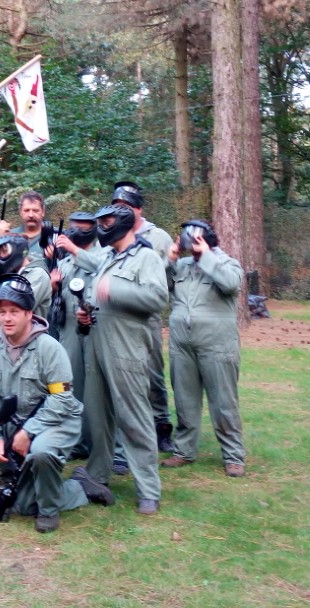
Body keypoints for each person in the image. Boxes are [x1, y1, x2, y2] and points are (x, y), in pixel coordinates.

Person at [0, 275, 110, 533]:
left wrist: (29, 432)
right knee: (25, 504)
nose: (6, 318)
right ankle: (79, 486)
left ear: (29, 313)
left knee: (41, 451)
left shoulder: (49, 348)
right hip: (18, 428)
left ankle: (49, 513)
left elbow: (62, 399)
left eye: (14, 311)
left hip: (58, 421)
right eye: (2, 311)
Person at [77, 204, 168, 515]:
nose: (102, 226)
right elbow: (95, 297)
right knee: (98, 418)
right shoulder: (106, 258)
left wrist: (113, 288)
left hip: (127, 349)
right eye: (100, 221)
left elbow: (158, 299)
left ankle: (148, 490)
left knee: (134, 417)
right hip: (98, 345)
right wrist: (86, 311)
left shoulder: (146, 257)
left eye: (107, 221)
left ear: (125, 222)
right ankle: (98, 475)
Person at [160, 220, 247, 477]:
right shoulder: (182, 266)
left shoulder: (226, 262)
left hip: (217, 344)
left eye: (195, 237)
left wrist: (207, 255)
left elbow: (231, 284)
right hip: (182, 342)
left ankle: (233, 455)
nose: (190, 242)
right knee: (185, 399)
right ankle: (184, 451)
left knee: (223, 401)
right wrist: (170, 259)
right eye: (187, 237)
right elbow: (159, 286)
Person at [110, 180, 176, 454]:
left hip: (146, 316)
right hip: (118, 318)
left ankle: (161, 424)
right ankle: (125, 430)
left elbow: (164, 280)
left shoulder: (158, 237)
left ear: (139, 209)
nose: (121, 211)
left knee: (152, 372)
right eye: (117, 206)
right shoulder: (113, 234)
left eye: (126, 206)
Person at [51, 210, 101, 456]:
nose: (77, 230)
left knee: (97, 388)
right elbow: (60, 298)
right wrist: (54, 286)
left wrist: (72, 248)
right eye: (74, 226)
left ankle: (101, 444)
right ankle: (77, 442)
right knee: (72, 386)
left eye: (83, 226)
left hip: (96, 327)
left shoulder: (104, 253)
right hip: (69, 328)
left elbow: (100, 267)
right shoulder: (64, 261)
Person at [0, 234, 52, 340]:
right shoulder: (13, 273)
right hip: (2, 344)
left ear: (19, 249)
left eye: (4, 251)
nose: (1, 256)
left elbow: (17, 303)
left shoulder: (38, 275)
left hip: (27, 344)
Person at [0, 191, 47, 262]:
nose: (31, 215)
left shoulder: (55, 237)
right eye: (26, 210)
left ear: (43, 212)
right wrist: (1, 240)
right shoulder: (10, 236)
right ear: (20, 212)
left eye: (35, 210)